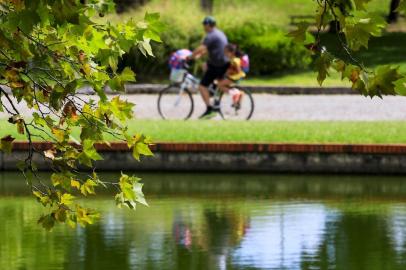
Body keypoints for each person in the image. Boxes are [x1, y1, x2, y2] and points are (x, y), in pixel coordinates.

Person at [188, 16, 229, 118]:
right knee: (205, 66)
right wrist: (199, 56)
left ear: (208, 25)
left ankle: (209, 109)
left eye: (204, 25)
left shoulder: (210, 36)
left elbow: (202, 47)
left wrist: (190, 56)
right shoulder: (219, 33)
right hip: (224, 63)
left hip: (218, 65)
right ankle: (213, 92)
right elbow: (208, 49)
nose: (203, 27)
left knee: (202, 86)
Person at [217, 44, 246, 108]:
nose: (225, 54)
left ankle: (235, 93)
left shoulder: (235, 60)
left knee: (220, 85)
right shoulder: (233, 59)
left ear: (232, 52)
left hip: (234, 77)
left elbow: (238, 71)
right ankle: (239, 94)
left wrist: (230, 72)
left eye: (226, 52)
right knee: (224, 84)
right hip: (234, 76)